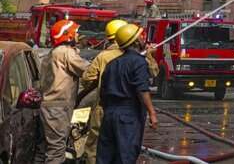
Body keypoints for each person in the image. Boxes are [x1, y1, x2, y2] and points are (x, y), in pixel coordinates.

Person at [79, 20, 160, 164]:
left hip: (108, 113)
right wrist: (152, 113)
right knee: (125, 155)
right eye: (140, 37)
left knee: (104, 156)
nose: (143, 39)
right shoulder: (139, 62)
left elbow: (97, 86)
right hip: (128, 115)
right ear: (134, 42)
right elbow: (142, 88)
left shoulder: (111, 63)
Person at [35, 19, 89, 164]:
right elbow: (88, 70)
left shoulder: (54, 52)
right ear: (68, 35)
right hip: (57, 108)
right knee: (56, 150)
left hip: (48, 106)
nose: (79, 35)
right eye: (76, 33)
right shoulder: (66, 52)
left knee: (42, 149)